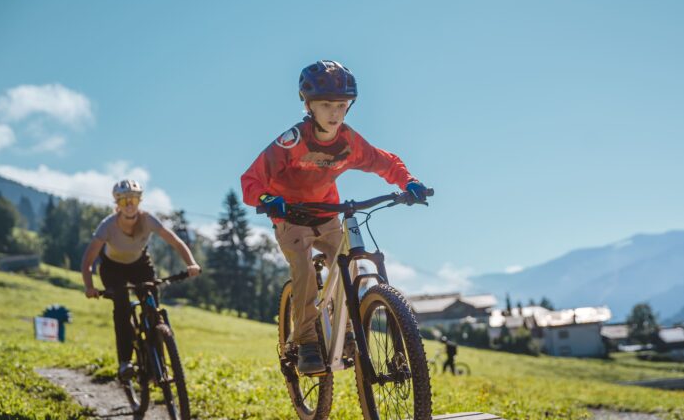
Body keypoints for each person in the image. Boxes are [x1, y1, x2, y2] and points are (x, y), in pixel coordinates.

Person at [241, 60, 428, 375]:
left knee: (348, 264)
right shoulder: (293, 140)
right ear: (308, 105)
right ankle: (307, 341)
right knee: (302, 272)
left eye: (342, 105)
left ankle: (348, 328)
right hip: (290, 214)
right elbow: (252, 179)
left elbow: (384, 162)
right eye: (326, 104)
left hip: (328, 211)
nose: (334, 112)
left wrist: (408, 182)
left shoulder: (349, 142)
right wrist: (267, 199)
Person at [81, 179, 201, 380]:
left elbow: (175, 241)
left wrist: (192, 263)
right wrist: (89, 286)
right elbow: (88, 260)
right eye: (124, 200)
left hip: (140, 265)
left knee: (152, 305)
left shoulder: (148, 220)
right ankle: (125, 362)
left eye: (134, 199)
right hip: (113, 268)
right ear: (117, 203)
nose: (129, 204)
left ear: (139, 201)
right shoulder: (107, 226)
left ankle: (158, 358)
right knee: (122, 306)